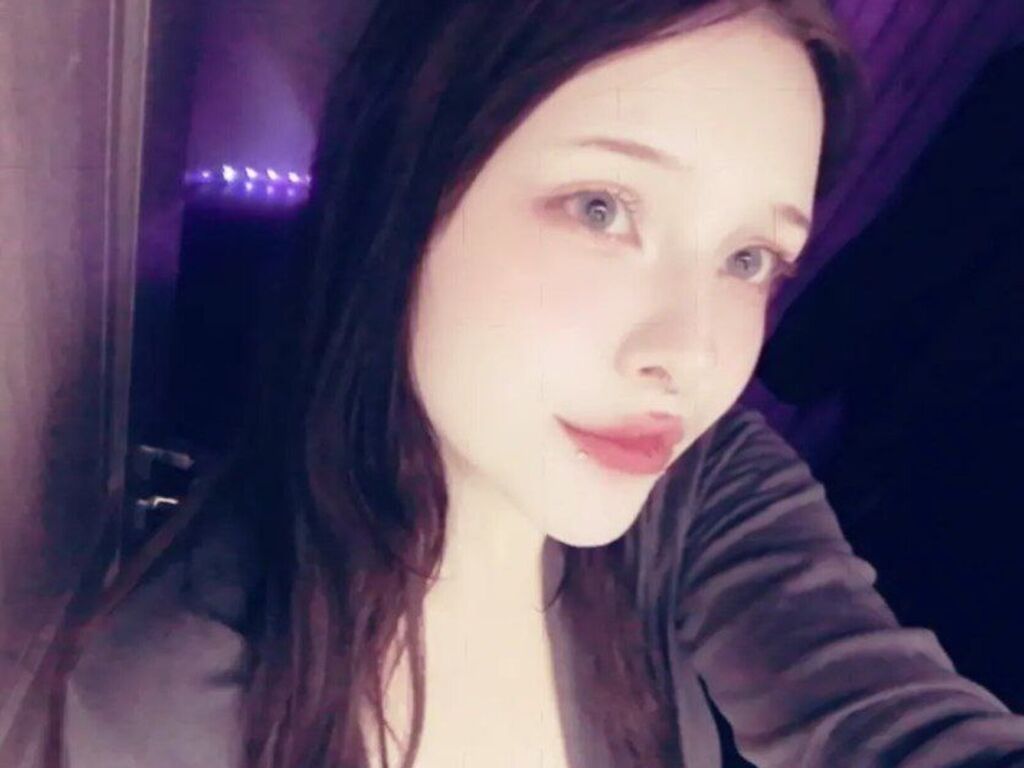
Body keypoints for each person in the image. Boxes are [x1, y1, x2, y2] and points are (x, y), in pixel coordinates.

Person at [5, 0, 1024, 766]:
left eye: (748, 259)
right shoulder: (169, 703)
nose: (692, 352)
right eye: (600, 208)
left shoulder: (699, 490)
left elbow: (889, 718)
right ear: (406, 193)